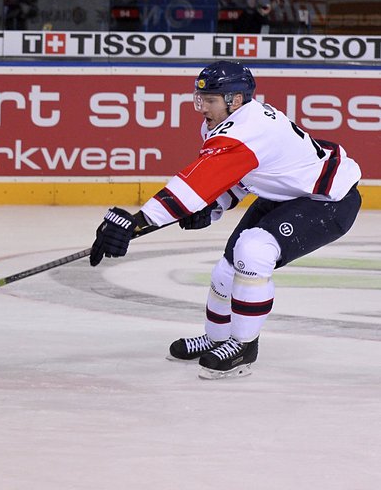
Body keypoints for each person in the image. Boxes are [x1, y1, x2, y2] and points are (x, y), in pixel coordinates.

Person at [88, 61, 362, 379]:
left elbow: (196, 183)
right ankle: (217, 339)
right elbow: (237, 178)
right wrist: (211, 208)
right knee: (226, 271)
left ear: (235, 99)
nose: (202, 106)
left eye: (211, 99)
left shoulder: (247, 128)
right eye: (200, 98)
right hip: (285, 195)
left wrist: (136, 221)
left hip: (328, 200)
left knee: (253, 251)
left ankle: (243, 347)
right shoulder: (226, 123)